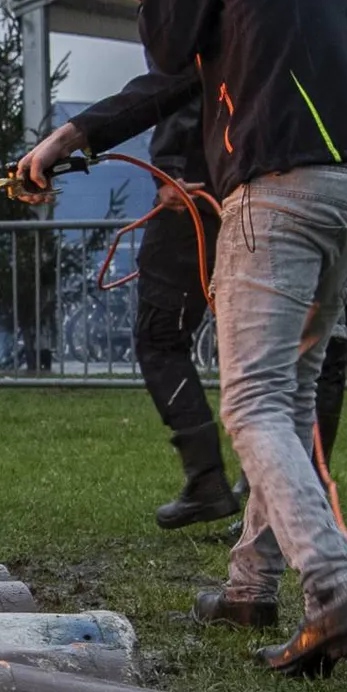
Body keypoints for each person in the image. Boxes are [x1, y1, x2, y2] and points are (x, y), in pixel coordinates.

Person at [22, 0, 347, 670]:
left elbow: (167, 43)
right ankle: (249, 586)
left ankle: (334, 592)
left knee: (253, 401)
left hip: (286, 179)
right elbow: (193, 71)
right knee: (291, 394)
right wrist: (76, 136)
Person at [128, 107, 240, 528]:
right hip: (255, 205)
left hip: (192, 210)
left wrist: (170, 175)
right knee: (261, 354)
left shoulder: (198, 67)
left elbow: (176, 95)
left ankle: (207, 480)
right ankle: (267, 490)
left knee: (160, 341)